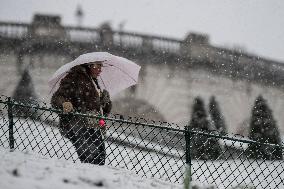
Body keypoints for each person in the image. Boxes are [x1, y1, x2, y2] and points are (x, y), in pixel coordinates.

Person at [51, 62, 112, 165]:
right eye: (97, 66)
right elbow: (57, 98)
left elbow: (101, 109)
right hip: (78, 126)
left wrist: (105, 102)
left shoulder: (94, 82)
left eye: (101, 67)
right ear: (89, 66)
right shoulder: (74, 78)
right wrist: (65, 104)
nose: (100, 70)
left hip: (94, 126)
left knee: (99, 160)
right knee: (91, 162)